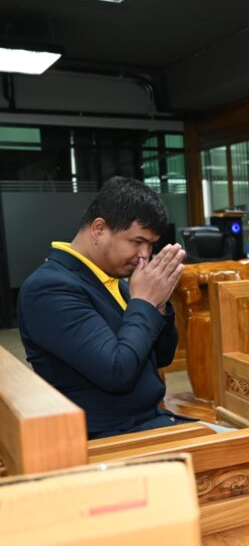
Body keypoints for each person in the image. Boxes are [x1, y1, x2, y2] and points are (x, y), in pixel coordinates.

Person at [19, 176, 187, 439]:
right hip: (109, 437)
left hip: (150, 421)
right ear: (99, 229)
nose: (145, 254)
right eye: (137, 241)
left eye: (151, 244)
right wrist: (143, 302)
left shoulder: (114, 280)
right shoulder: (48, 289)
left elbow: (161, 356)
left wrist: (158, 304)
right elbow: (117, 372)